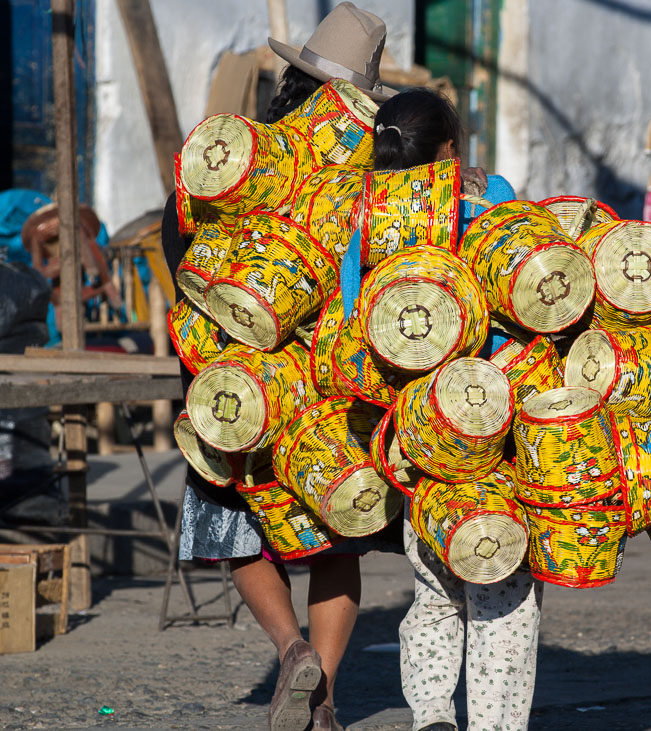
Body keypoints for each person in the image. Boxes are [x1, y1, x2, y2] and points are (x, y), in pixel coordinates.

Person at [160, 5, 395, 731]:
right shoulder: (373, 181)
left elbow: (181, 250)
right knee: (335, 536)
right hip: (327, 382)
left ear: (292, 80)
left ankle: (291, 649)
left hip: (233, 377)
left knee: (236, 524)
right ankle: (322, 699)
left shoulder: (238, 161)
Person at [340, 89, 543, 731]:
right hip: (493, 412)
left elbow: (352, 321)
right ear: (450, 150)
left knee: (434, 586)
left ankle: (431, 715)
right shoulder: (492, 197)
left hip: (413, 428)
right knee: (501, 587)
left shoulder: (366, 220)